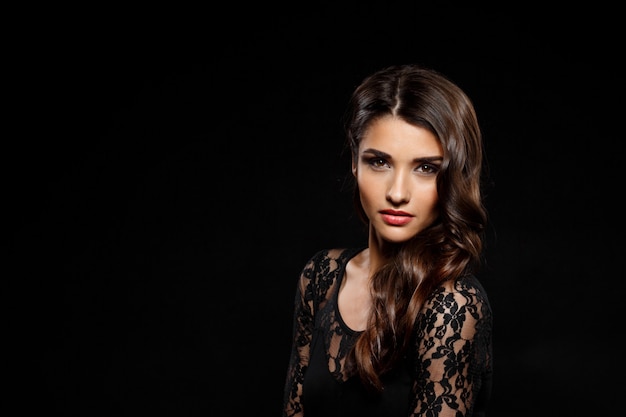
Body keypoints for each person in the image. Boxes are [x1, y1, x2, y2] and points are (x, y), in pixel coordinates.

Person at [281, 64, 493, 417]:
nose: (397, 193)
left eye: (426, 168)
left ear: (453, 176)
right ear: (354, 162)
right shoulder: (320, 276)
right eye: (379, 162)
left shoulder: (452, 306)